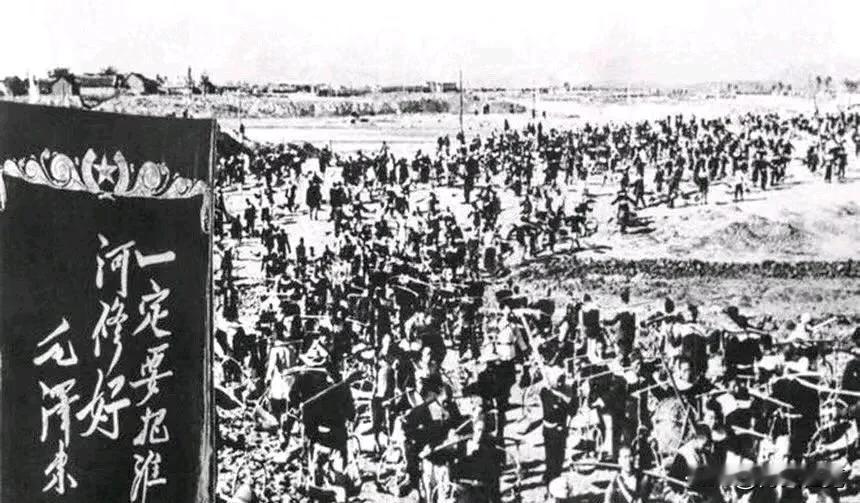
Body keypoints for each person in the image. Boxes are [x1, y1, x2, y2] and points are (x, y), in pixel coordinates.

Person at [539, 366, 576, 485]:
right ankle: (550, 482)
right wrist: (560, 397)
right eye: (558, 380)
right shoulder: (545, 392)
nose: (560, 383)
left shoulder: (568, 391)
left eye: (562, 380)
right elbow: (551, 412)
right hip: (550, 431)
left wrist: (569, 398)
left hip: (562, 430)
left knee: (560, 459)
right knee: (551, 459)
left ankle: (555, 481)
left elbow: (572, 411)